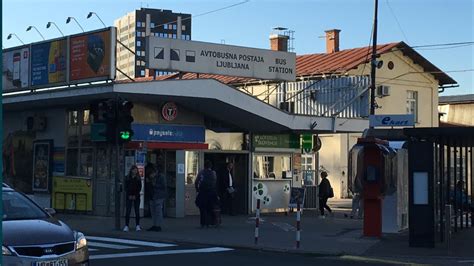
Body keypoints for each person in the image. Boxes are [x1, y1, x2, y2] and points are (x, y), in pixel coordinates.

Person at [195, 160, 219, 228]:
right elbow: (215, 183)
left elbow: (197, 182)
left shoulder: (201, 173)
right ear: (210, 166)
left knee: (202, 208)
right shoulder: (213, 173)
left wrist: (197, 190)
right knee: (210, 208)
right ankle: (210, 222)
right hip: (211, 192)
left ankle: (203, 223)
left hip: (202, 192)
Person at [147, 166, 167, 232]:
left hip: (159, 196)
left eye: (151, 174)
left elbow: (163, 186)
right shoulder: (151, 178)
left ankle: (158, 225)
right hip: (152, 196)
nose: (151, 176)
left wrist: (154, 185)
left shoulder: (161, 177)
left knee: (158, 211)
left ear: (155, 172)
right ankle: (154, 225)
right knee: (153, 211)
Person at [123, 165, 142, 232]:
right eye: (134, 170)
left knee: (137, 211)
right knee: (128, 211)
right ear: (131, 170)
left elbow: (139, 188)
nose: (135, 171)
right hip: (129, 196)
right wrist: (129, 195)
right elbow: (126, 187)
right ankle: (126, 225)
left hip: (136, 196)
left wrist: (135, 195)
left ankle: (137, 225)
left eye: (136, 170)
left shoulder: (138, 178)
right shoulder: (127, 178)